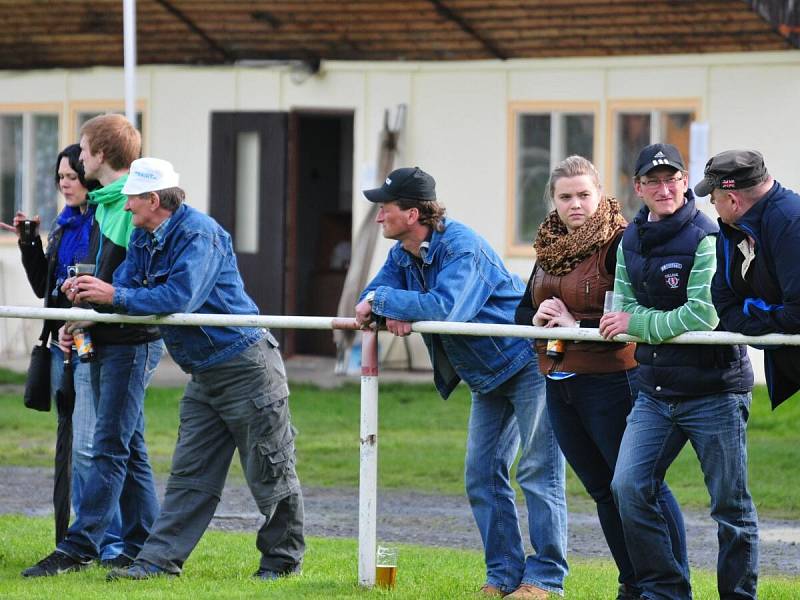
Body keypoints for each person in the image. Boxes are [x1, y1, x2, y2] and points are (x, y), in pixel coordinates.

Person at [66, 157, 304, 581]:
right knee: (190, 474)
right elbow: (127, 289)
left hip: (246, 367)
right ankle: (156, 563)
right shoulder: (144, 237)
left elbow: (178, 297)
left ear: (153, 199)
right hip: (204, 373)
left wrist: (112, 296)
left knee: (271, 470)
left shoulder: (200, 234)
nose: (125, 210)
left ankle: (281, 564)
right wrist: (89, 309)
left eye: (131, 202)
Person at [354, 166, 567, 599]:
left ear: (412, 214)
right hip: (486, 377)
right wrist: (383, 302)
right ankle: (504, 576)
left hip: (527, 364)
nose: (378, 218)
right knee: (480, 475)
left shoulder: (462, 247)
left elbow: (445, 309)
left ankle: (545, 581)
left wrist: (388, 303)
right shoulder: (403, 254)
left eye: (385, 209)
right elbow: (372, 297)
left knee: (538, 472)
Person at [515, 155, 687, 600]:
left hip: (613, 379)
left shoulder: (622, 242)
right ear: (552, 200)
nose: (576, 205)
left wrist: (576, 323)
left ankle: (668, 585)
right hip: (558, 380)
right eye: (566, 196)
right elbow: (523, 309)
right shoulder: (548, 245)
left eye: (584, 195)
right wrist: (539, 314)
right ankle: (632, 583)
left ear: (601, 194)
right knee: (601, 491)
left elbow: (629, 312)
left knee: (636, 486)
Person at [599, 144, 757, 600]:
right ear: (639, 188)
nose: (664, 188)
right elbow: (623, 303)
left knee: (731, 508)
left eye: (673, 178)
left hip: (716, 391)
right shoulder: (629, 238)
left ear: (686, 183)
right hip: (655, 391)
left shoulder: (709, 235)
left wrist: (639, 326)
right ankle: (666, 591)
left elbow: (703, 314)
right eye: (654, 180)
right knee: (627, 487)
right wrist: (638, 322)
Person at [22, 116, 164, 577]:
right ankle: (142, 544)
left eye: (82, 152)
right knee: (130, 446)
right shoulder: (105, 204)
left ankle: (78, 547)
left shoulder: (126, 204)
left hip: (131, 340)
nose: (78, 160)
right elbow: (105, 280)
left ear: (100, 156)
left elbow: (124, 280)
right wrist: (78, 314)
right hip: (106, 336)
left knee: (108, 446)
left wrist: (89, 311)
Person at [1, 144, 125, 561]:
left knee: (94, 448)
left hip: (93, 345)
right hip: (60, 347)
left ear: (89, 178)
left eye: (71, 176)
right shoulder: (64, 224)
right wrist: (27, 241)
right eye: (59, 178)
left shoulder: (105, 222)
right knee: (73, 447)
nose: (64, 184)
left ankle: (106, 542)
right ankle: (80, 537)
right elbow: (44, 289)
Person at [698, 149, 800, 409]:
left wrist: (748, 311)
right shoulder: (732, 227)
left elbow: (797, 315)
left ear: (732, 200)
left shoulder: (791, 224)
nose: (713, 206)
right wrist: (764, 321)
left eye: (713, 199)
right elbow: (722, 301)